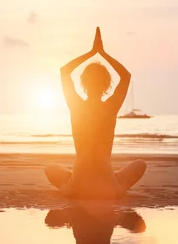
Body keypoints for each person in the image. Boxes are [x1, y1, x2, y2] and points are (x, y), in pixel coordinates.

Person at [45, 27, 147, 199]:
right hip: (108, 189)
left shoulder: (76, 105)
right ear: (107, 85)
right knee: (140, 164)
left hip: (77, 186)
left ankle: (68, 185)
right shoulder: (111, 107)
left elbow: (64, 71)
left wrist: (91, 53)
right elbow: (125, 76)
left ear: (83, 83)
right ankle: (115, 184)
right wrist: (102, 53)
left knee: (50, 169)